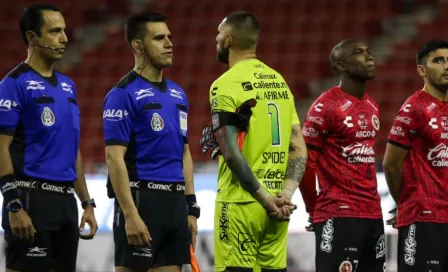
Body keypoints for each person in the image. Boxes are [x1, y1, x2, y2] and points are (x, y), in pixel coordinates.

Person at [199, 11, 307, 272]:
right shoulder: (279, 82)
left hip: (241, 203)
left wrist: (263, 198)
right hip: (278, 207)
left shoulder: (224, 84)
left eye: (218, 34)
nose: (216, 39)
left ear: (229, 39)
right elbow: (298, 147)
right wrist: (285, 195)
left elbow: (232, 153)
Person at [0, 4, 98, 272]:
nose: (64, 38)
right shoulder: (14, 83)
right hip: (31, 200)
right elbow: (1, 148)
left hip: (65, 204)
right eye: (55, 31)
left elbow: (71, 148)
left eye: (64, 31)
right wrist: (14, 204)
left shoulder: (68, 86)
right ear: (32, 38)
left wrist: (86, 203)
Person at [103, 12, 199, 272]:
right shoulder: (122, 94)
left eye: (169, 37)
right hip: (141, 200)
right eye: (159, 38)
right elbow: (114, 157)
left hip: (174, 205)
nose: (169, 43)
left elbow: (185, 153)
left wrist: (190, 207)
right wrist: (131, 215)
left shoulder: (178, 94)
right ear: (137, 46)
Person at [299, 39, 386, 271]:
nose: (369, 57)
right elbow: (306, 162)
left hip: (373, 213)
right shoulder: (325, 106)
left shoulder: (372, 105)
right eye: (359, 53)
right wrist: (313, 208)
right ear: (341, 66)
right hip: (339, 213)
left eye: (369, 51)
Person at [383, 40, 448, 272]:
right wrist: (406, 202)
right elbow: (391, 164)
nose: (446, 66)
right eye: (438, 60)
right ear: (422, 70)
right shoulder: (414, 107)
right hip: (424, 218)